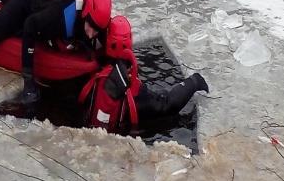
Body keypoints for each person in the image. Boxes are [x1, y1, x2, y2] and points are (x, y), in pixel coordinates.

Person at [79, 15, 209, 135]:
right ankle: (196, 81)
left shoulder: (90, 67)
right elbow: (168, 105)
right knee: (163, 104)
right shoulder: (133, 90)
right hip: (128, 116)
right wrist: (194, 82)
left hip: (93, 124)